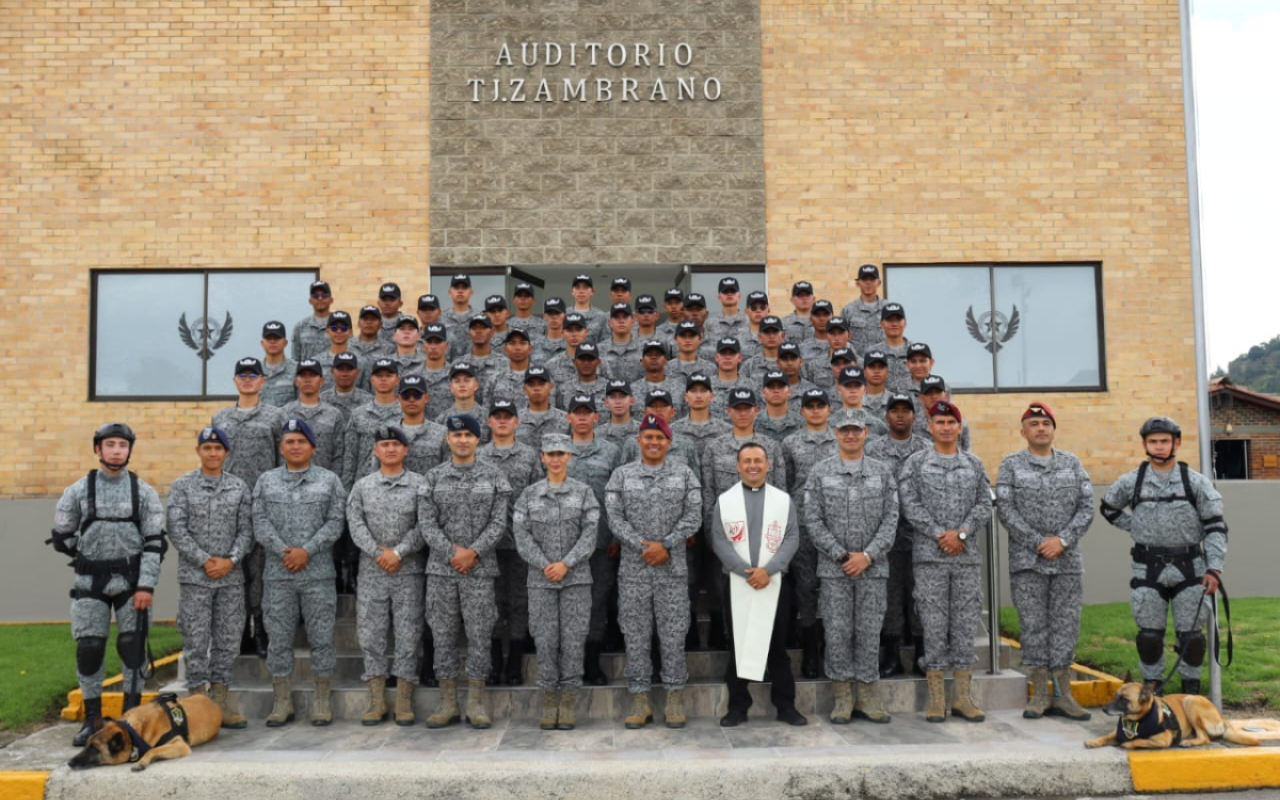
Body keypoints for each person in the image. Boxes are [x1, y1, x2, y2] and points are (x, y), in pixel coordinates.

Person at [50, 423, 165, 747]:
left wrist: (146, 585)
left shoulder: (143, 491)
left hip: (132, 582)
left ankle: (131, 717)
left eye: (122, 445)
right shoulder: (77, 490)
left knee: (132, 646)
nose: (116, 450)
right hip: (89, 581)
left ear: (130, 450)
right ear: (98, 449)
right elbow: (61, 535)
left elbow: (155, 543)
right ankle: (92, 720)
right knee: (89, 648)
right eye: (110, 444)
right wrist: (88, 555)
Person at [1100, 416, 1227, 696]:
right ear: (1145, 444)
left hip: (1190, 568)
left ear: (1176, 443)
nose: (1159, 447)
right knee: (1149, 637)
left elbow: (1216, 526)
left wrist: (1214, 568)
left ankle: (1189, 694)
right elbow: (1108, 508)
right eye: (1153, 441)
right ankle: (1152, 692)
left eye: (1164, 441)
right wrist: (1136, 526)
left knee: (1192, 638)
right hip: (1147, 568)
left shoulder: (1196, 482)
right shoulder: (1130, 482)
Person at [996, 403, 1094, 720]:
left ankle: (1064, 695)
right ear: (1023, 431)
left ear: (1054, 429)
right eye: (1034, 423)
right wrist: (1038, 542)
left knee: (1066, 627)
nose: (1040, 428)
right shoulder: (1010, 466)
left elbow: (1086, 507)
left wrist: (1062, 540)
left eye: (1046, 423)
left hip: (1066, 561)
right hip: (1028, 562)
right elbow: (1006, 510)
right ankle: (1038, 694)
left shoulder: (1072, 464)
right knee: (1033, 627)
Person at [898, 401, 992, 723]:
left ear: (959, 426)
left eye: (952, 421)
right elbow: (909, 505)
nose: (946, 427)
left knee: (964, 625)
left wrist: (962, 534)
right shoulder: (915, 463)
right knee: (934, 626)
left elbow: (984, 504)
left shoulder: (974, 464)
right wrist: (941, 534)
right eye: (940, 421)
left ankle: (963, 697)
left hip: (965, 558)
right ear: (930, 426)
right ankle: (936, 699)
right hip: (930, 557)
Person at [606, 414, 702, 729]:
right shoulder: (621, 475)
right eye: (648, 437)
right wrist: (642, 545)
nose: (653, 442)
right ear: (639, 441)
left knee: (673, 635)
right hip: (634, 570)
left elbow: (693, 515)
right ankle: (640, 700)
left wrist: (666, 544)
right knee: (635, 636)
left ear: (669, 443)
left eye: (659, 437)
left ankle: (675, 698)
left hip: (672, 570)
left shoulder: (685, 474)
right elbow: (614, 517)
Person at [804, 410, 899, 724]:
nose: (850, 435)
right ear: (835, 432)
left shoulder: (882, 472)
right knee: (838, 632)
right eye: (845, 430)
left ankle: (868, 696)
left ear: (865, 433)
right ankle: (843, 698)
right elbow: (813, 520)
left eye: (855, 430)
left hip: (873, 568)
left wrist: (868, 555)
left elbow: (891, 518)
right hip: (835, 570)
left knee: (869, 632)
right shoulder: (820, 472)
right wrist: (843, 556)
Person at [419, 414, 513, 730]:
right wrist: (452, 552)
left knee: (479, 634)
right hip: (441, 570)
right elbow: (427, 523)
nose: (462, 440)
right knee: (442, 634)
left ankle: (475, 701)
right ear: (448, 439)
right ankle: (447, 702)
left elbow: (499, 522)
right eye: (456, 436)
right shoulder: (431, 478)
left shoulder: (495, 477)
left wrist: (473, 552)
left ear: (477, 439)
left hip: (480, 568)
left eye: (468, 436)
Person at [253, 418, 347, 726]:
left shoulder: (330, 481)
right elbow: (260, 522)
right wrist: (285, 550)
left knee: (322, 637)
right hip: (278, 574)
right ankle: (282, 701)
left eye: (301, 441)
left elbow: (335, 522)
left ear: (313, 447)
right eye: (290, 441)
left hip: (317, 572)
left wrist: (307, 550)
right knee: (278, 640)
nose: (295, 446)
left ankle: (322, 700)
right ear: (281, 447)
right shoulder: (266, 481)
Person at [711, 443, 806, 727]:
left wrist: (769, 570)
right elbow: (719, 540)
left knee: (776, 646)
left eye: (758, 460)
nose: (753, 465)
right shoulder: (725, 501)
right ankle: (738, 707)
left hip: (774, 582)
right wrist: (745, 571)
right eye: (747, 461)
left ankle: (786, 706)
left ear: (768, 465)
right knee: (739, 644)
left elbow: (791, 538)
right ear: (738, 466)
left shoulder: (782, 500)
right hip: (738, 582)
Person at [166, 426, 253, 729]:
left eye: (218, 449)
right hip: (195, 577)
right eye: (207, 448)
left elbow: (247, 530)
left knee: (227, 641)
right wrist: (205, 560)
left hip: (230, 578)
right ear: (198, 451)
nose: (213, 453)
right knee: (196, 639)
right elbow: (176, 529)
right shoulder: (182, 486)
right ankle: (195, 702)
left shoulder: (239, 487)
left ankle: (220, 701)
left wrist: (229, 561)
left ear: (226, 453)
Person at [513, 433, 601, 730]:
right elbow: (521, 536)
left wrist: (566, 563)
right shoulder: (529, 495)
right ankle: (550, 700)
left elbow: (590, 535)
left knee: (574, 640)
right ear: (542, 457)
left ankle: (569, 701)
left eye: (561, 453)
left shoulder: (585, 493)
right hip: (540, 581)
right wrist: (545, 564)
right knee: (546, 641)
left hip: (575, 579)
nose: (555, 459)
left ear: (570, 457)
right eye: (550, 454)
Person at [347, 424, 426, 726]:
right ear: (375, 451)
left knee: (408, 634)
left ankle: (404, 700)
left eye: (396, 444)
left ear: (406, 450)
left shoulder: (421, 485)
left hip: (409, 571)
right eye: (384, 444)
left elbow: (425, 524)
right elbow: (355, 523)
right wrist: (379, 552)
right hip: (372, 570)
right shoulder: (362, 486)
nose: (390, 449)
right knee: (371, 634)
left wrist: (400, 551)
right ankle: (376, 700)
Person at [212, 357, 286, 658]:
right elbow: (212, 459)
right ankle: (238, 633)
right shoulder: (220, 419)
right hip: (228, 505)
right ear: (234, 380)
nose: (247, 379)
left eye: (253, 375)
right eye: (241, 374)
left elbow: (284, 460)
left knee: (260, 574)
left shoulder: (275, 416)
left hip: (263, 503)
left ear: (262, 381)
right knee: (233, 572)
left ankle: (261, 631)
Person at [477, 400, 544, 686]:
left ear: (517, 422)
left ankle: (515, 660)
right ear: (489, 422)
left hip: (520, 543)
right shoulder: (477, 457)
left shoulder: (530, 456)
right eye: (497, 416)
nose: (502, 421)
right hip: (485, 545)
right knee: (490, 604)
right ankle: (493, 661)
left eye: (508, 417)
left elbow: (538, 498)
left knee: (519, 602)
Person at [865, 392, 931, 678]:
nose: (900, 415)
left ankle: (921, 652)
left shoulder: (927, 449)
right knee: (889, 598)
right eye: (895, 410)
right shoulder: (873, 450)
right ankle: (891, 655)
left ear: (915, 416)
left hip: (921, 536)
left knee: (920, 597)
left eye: (906, 410)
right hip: (886, 537)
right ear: (886, 416)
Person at [564, 394, 623, 685]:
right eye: (578, 412)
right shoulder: (557, 451)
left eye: (588, 412)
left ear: (597, 417)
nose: (583, 417)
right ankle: (571, 661)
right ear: (569, 418)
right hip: (563, 543)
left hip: (601, 541)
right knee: (569, 603)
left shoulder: (611, 451)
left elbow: (617, 497)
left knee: (597, 601)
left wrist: (615, 535)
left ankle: (593, 660)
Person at [781, 388, 837, 677]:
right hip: (802, 527)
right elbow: (785, 486)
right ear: (801, 411)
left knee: (832, 586)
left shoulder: (841, 440)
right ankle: (810, 651)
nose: (815, 410)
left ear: (829, 409)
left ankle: (832, 647)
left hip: (836, 527)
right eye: (810, 405)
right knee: (805, 588)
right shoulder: (790, 444)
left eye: (821, 405)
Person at [281, 359, 346, 473]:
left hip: (324, 483)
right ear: (296, 381)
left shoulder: (334, 415)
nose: (307, 380)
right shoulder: (283, 413)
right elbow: (279, 453)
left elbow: (339, 456)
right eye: (303, 375)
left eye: (312, 375)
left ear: (321, 381)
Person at [841, 264, 888, 355]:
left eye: (872, 279)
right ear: (858, 283)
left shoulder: (888, 309)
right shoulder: (848, 310)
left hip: (883, 364)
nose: (868, 283)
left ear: (878, 282)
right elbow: (842, 340)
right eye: (864, 279)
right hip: (857, 365)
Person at [291, 279, 335, 362]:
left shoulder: (340, 325)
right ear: (310, 300)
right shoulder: (301, 326)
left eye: (324, 295)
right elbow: (295, 360)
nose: (320, 298)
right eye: (315, 295)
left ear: (331, 299)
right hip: (308, 374)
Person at [259, 321, 298, 407]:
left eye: (276, 338)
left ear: (285, 342)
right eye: (268, 338)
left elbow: (302, 403)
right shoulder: (255, 371)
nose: (272, 341)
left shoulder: (297, 370)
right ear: (262, 343)